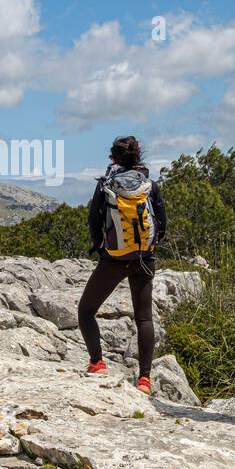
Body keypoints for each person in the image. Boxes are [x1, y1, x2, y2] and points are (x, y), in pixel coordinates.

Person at [78, 136, 168, 395]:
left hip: (114, 259)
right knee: (144, 318)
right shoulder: (150, 185)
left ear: (113, 158)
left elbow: (94, 222)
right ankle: (144, 380)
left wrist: (102, 249)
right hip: (144, 257)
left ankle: (97, 363)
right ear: (138, 157)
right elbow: (162, 221)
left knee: (86, 310)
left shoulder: (105, 185)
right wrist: (149, 247)